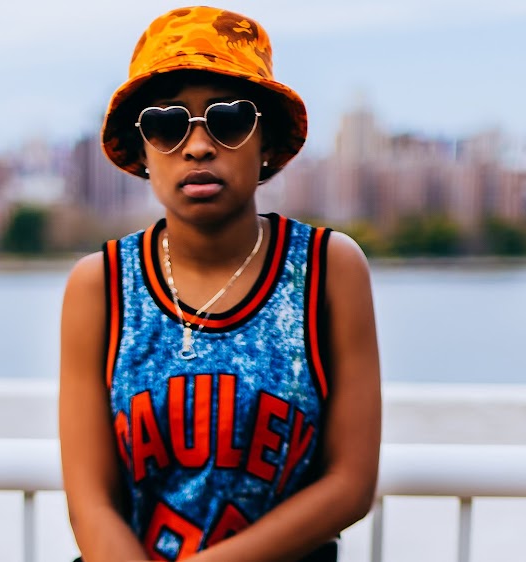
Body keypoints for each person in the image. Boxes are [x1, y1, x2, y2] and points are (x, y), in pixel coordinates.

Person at [59, 6, 381, 561]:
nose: (198, 146)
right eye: (167, 124)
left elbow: (349, 484)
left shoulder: (327, 269)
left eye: (228, 120)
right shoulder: (101, 285)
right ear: (142, 150)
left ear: (267, 143)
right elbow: (91, 502)